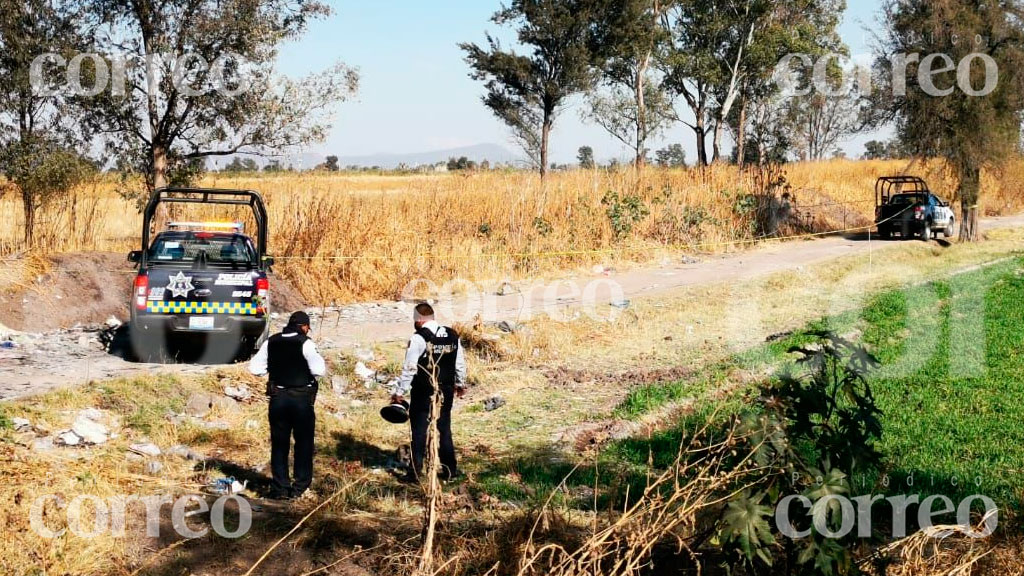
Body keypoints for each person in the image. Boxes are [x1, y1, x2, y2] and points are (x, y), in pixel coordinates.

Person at [249, 311, 326, 499]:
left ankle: (280, 487)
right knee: (304, 443)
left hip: (278, 398)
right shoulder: (306, 343)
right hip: (301, 400)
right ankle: (300, 487)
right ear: (304, 327)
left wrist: (275, 368)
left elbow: (255, 368)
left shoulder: (271, 342)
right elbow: (319, 370)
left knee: (279, 444)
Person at [390, 303, 467, 482]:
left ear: (419, 319)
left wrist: (399, 392)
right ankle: (450, 471)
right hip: (446, 390)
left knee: (419, 431)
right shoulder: (452, 334)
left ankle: (415, 473)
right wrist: (460, 383)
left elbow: (410, 368)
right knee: (444, 428)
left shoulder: (419, 338)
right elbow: (459, 362)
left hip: (424, 391)